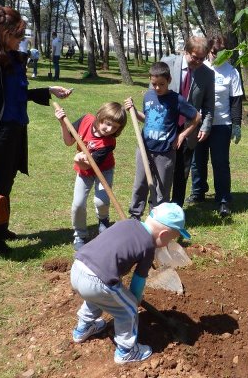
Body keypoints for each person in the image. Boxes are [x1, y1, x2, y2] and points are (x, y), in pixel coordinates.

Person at [0, 5, 72, 257]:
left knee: (6, 183)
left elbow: (16, 95)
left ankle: (0, 228)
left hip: (16, 130)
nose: (22, 39)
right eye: (18, 34)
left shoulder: (12, 59)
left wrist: (47, 89)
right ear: (2, 32)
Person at [70, 202, 190, 364]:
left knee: (97, 297)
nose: (169, 243)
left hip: (78, 269)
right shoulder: (148, 246)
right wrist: (134, 299)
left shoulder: (128, 223)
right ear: (162, 234)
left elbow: (111, 250)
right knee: (128, 309)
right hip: (98, 281)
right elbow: (138, 280)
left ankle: (83, 329)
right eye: (171, 239)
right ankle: (126, 351)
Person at [124, 62, 200, 220]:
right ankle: (135, 217)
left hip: (165, 152)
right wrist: (134, 111)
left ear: (169, 80)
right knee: (140, 185)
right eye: (154, 84)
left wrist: (182, 135)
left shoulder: (176, 99)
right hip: (145, 148)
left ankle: (157, 218)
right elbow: (148, 119)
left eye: (161, 84)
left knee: (162, 189)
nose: (158, 88)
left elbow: (196, 117)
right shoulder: (148, 96)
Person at [55, 102, 127, 251]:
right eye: (107, 124)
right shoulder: (86, 120)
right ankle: (80, 235)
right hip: (84, 172)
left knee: (101, 201)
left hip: (103, 170)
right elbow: (69, 142)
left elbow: (89, 165)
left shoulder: (109, 142)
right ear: (100, 116)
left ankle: (103, 220)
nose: (109, 130)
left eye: (114, 127)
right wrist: (63, 123)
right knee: (78, 204)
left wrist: (78, 160)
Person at [189, 36, 244, 217]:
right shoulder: (200, 68)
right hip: (199, 123)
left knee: (220, 163)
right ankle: (198, 192)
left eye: (221, 53)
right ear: (209, 51)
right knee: (198, 161)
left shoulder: (231, 72)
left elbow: (236, 101)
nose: (216, 56)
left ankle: (223, 199)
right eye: (214, 52)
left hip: (221, 124)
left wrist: (236, 124)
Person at [161, 37, 215, 206]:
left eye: (202, 58)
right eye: (194, 57)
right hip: (164, 128)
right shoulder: (167, 64)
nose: (198, 62)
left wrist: (205, 126)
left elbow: (208, 104)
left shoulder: (208, 74)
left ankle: (176, 210)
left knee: (181, 172)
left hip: (188, 130)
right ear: (186, 51)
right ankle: (157, 207)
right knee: (161, 170)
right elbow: (153, 95)